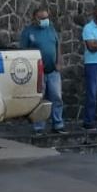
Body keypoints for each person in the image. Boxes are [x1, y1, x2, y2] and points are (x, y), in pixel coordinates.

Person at [19, 7, 65, 135]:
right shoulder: (28, 32)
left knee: (57, 98)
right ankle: (39, 127)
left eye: (47, 17)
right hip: (38, 72)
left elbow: (57, 46)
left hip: (53, 71)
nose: (46, 20)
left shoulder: (51, 29)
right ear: (35, 18)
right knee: (40, 100)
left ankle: (58, 125)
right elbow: (23, 52)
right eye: (42, 18)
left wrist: (59, 62)